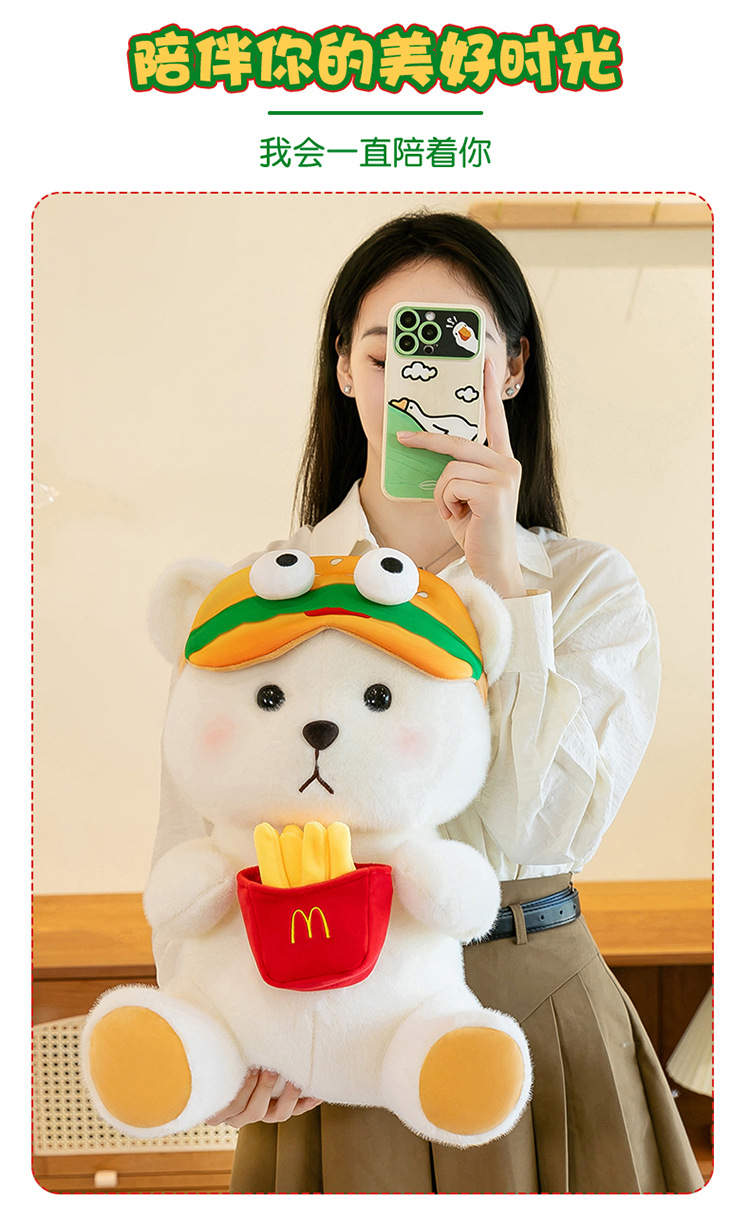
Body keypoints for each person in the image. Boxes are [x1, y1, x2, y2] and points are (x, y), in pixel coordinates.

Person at [151, 211, 704, 1194]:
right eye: (385, 353)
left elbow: (538, 833)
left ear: (512, 367)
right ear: (345, 370)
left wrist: (503, 583)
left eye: (456, 351)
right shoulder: (264, 590)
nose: (414, 384)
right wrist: (214, 1035)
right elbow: (189, 837)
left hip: (536, 1005)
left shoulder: (586, 587)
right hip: (319, 1020)